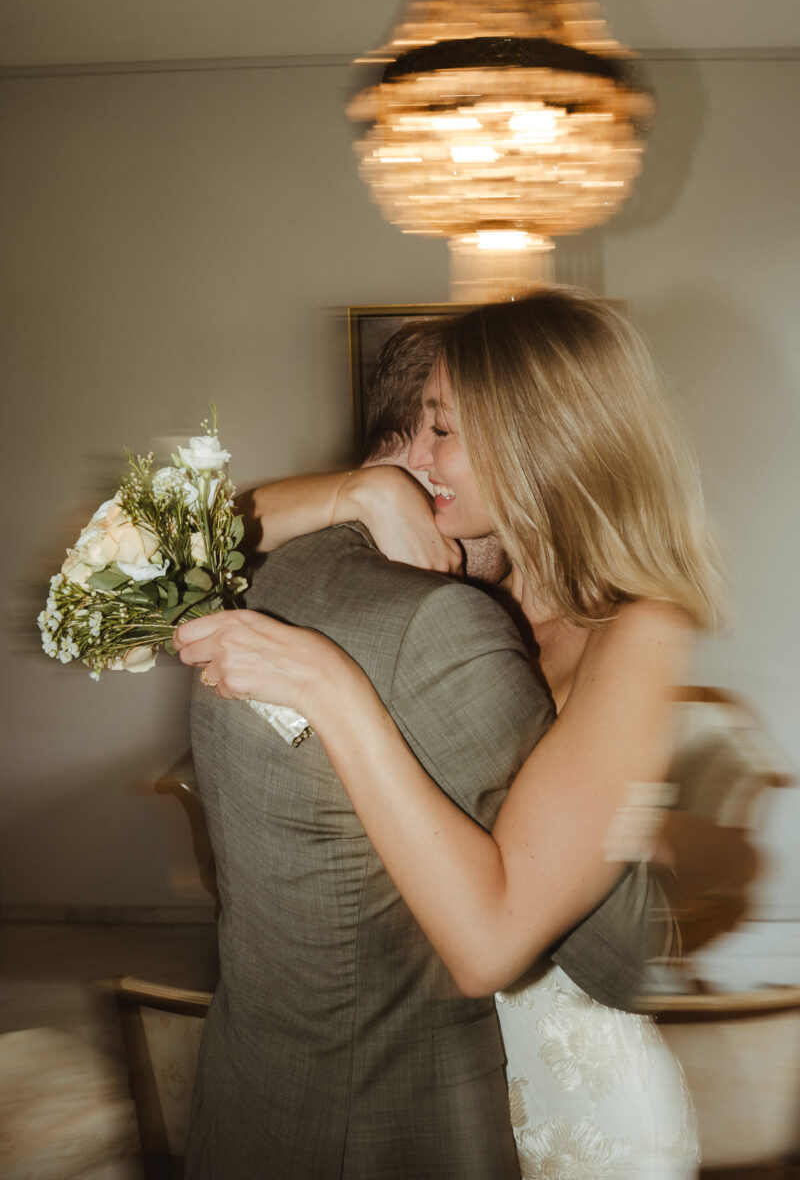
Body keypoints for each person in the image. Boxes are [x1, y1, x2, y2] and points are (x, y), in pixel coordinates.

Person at [176, 288, 727, 1177]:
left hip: (571, 1098)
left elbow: (487, 948)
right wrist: (358, 491)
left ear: (539, 443)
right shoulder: (476, 577)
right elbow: (191, 548)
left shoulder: (640, 631)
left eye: (442, 430)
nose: (414, 454)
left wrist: (331, 688)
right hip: (457, 1069)